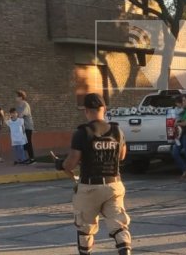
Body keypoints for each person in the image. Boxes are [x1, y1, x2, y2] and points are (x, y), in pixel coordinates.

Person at [58, 93, 132, 255]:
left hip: (90, 187)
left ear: (86, 111)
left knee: (85, 229)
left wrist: (60, 164)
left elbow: (71, 163)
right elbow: (122, 156)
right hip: (114, 186)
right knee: (119, 226)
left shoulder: (83, 133)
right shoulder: (117, 131)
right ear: (104, 109)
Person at [15, 90, 35, 164]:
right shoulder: (17, 106)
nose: (16, 98)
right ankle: (25, 158)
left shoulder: (25, 105)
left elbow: (22, 114)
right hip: (21, 127)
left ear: (21, 97)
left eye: (17, 96)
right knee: (23, 143)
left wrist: (17, 117)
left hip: (27, 126)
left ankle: (32, 158)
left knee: (28, 142)